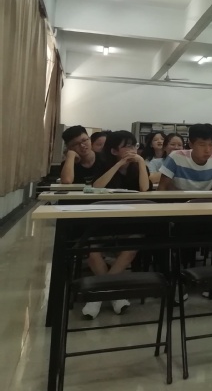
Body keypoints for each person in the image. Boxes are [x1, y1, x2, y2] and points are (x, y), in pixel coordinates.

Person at [83, 130, 151, 318]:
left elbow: (144, 189)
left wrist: (141, 162)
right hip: (104, 220)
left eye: (134, 145)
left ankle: (97, 294)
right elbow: (97, 187)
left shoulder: (138, 166)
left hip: (130, 221)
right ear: (114, 151)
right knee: (92, 252)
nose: (132, 150)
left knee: (130, 249)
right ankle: (114, 294)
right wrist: (119, 164)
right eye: (127, 146)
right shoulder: (103, 164)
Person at [158, 123, 212, 191]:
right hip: (177, 199)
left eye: (211, 144)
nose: (207, 150)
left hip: (204, 199)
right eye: (202, 145)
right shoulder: (176, 157)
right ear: (191, 144)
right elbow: (162, 188)